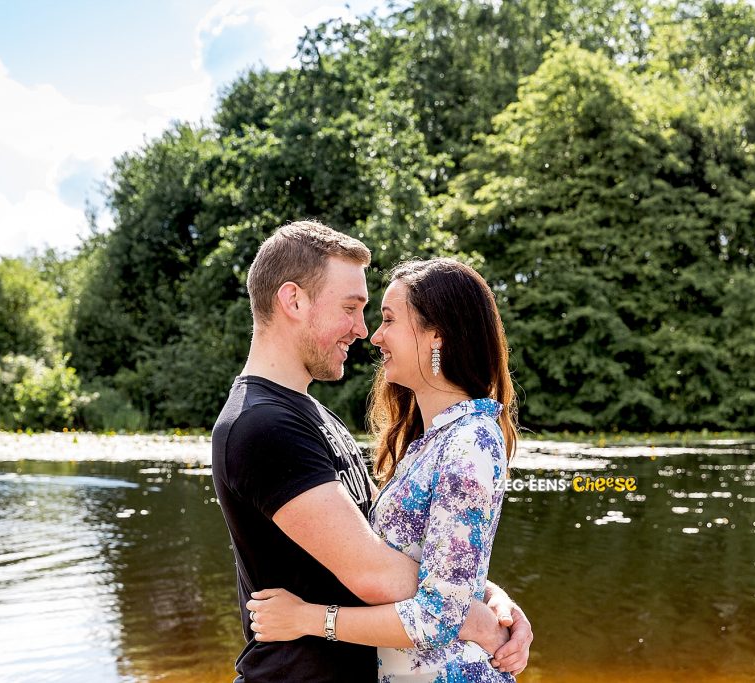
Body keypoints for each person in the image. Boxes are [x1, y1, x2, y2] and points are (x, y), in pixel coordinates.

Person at [211, 222, 531, 683]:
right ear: (294, 301)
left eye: (378, 316)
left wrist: (492, 598)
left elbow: (405, 552)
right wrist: (478, 618)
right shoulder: (263, 426)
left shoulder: (312, 417)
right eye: (351, 308)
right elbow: (376, 574)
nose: (364, 332)